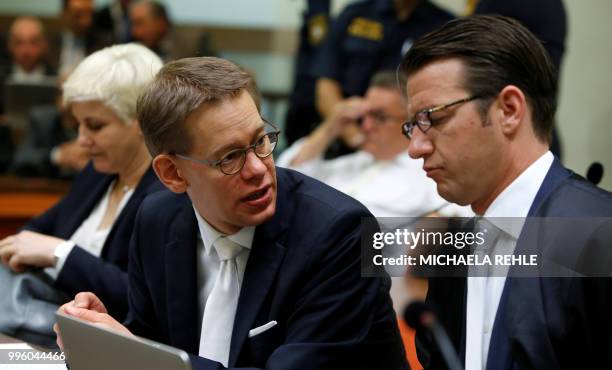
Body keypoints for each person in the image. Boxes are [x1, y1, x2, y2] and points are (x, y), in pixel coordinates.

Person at [54, 56, 408, 370]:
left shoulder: (340, 232)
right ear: (173, 174)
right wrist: (108, 339)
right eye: (229, 157)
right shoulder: (156, 220)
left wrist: (134, 354)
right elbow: (152, 344)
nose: (257, 168)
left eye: (261, 141)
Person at [400, 15, 612, 369]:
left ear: (509, 110)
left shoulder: (599, 234)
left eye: (431, 119)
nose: (415, 147)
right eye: (412, 126)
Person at [0, 43, 164, 324]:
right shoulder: (97, 173)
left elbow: (144, 298)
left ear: (141, 121)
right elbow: (34, 233)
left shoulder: (168, 194)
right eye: (78, 124)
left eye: (95, 126)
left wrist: (60, 254)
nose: (81, 139)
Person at [279, 70, 450, 218]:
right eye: (365, 115)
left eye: (379, 117)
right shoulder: (352, 163)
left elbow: (455, 218)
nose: (366, 126)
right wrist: (331, 127)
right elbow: (287, 178)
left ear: (410, 122)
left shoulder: (427, 175)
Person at [311, 0, 452, 156]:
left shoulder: (443, 25)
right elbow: (326, 86)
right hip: (345, 142)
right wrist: (355, 136)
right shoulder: (354, 15)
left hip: (405, 146)